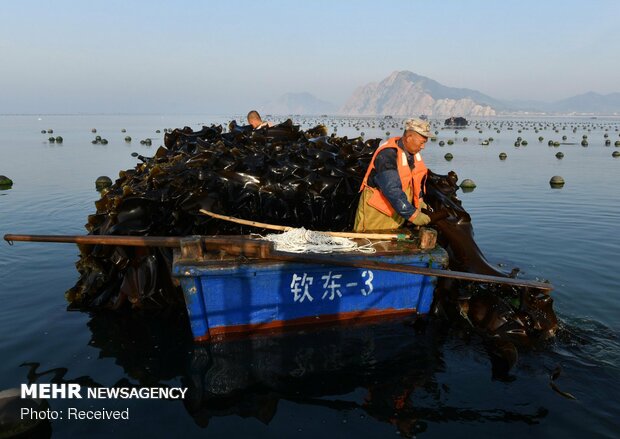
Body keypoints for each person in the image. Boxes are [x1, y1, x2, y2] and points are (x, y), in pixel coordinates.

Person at [354, 118, 432, 232]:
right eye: (422, 142)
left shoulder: (413, 155)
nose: (423, 147)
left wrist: (420, 203)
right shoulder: (387, 155)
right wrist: (413, 215)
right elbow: (391, 189)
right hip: (376, 215)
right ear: (409, 138)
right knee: (370, 245)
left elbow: (415, 182)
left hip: (396, 212)